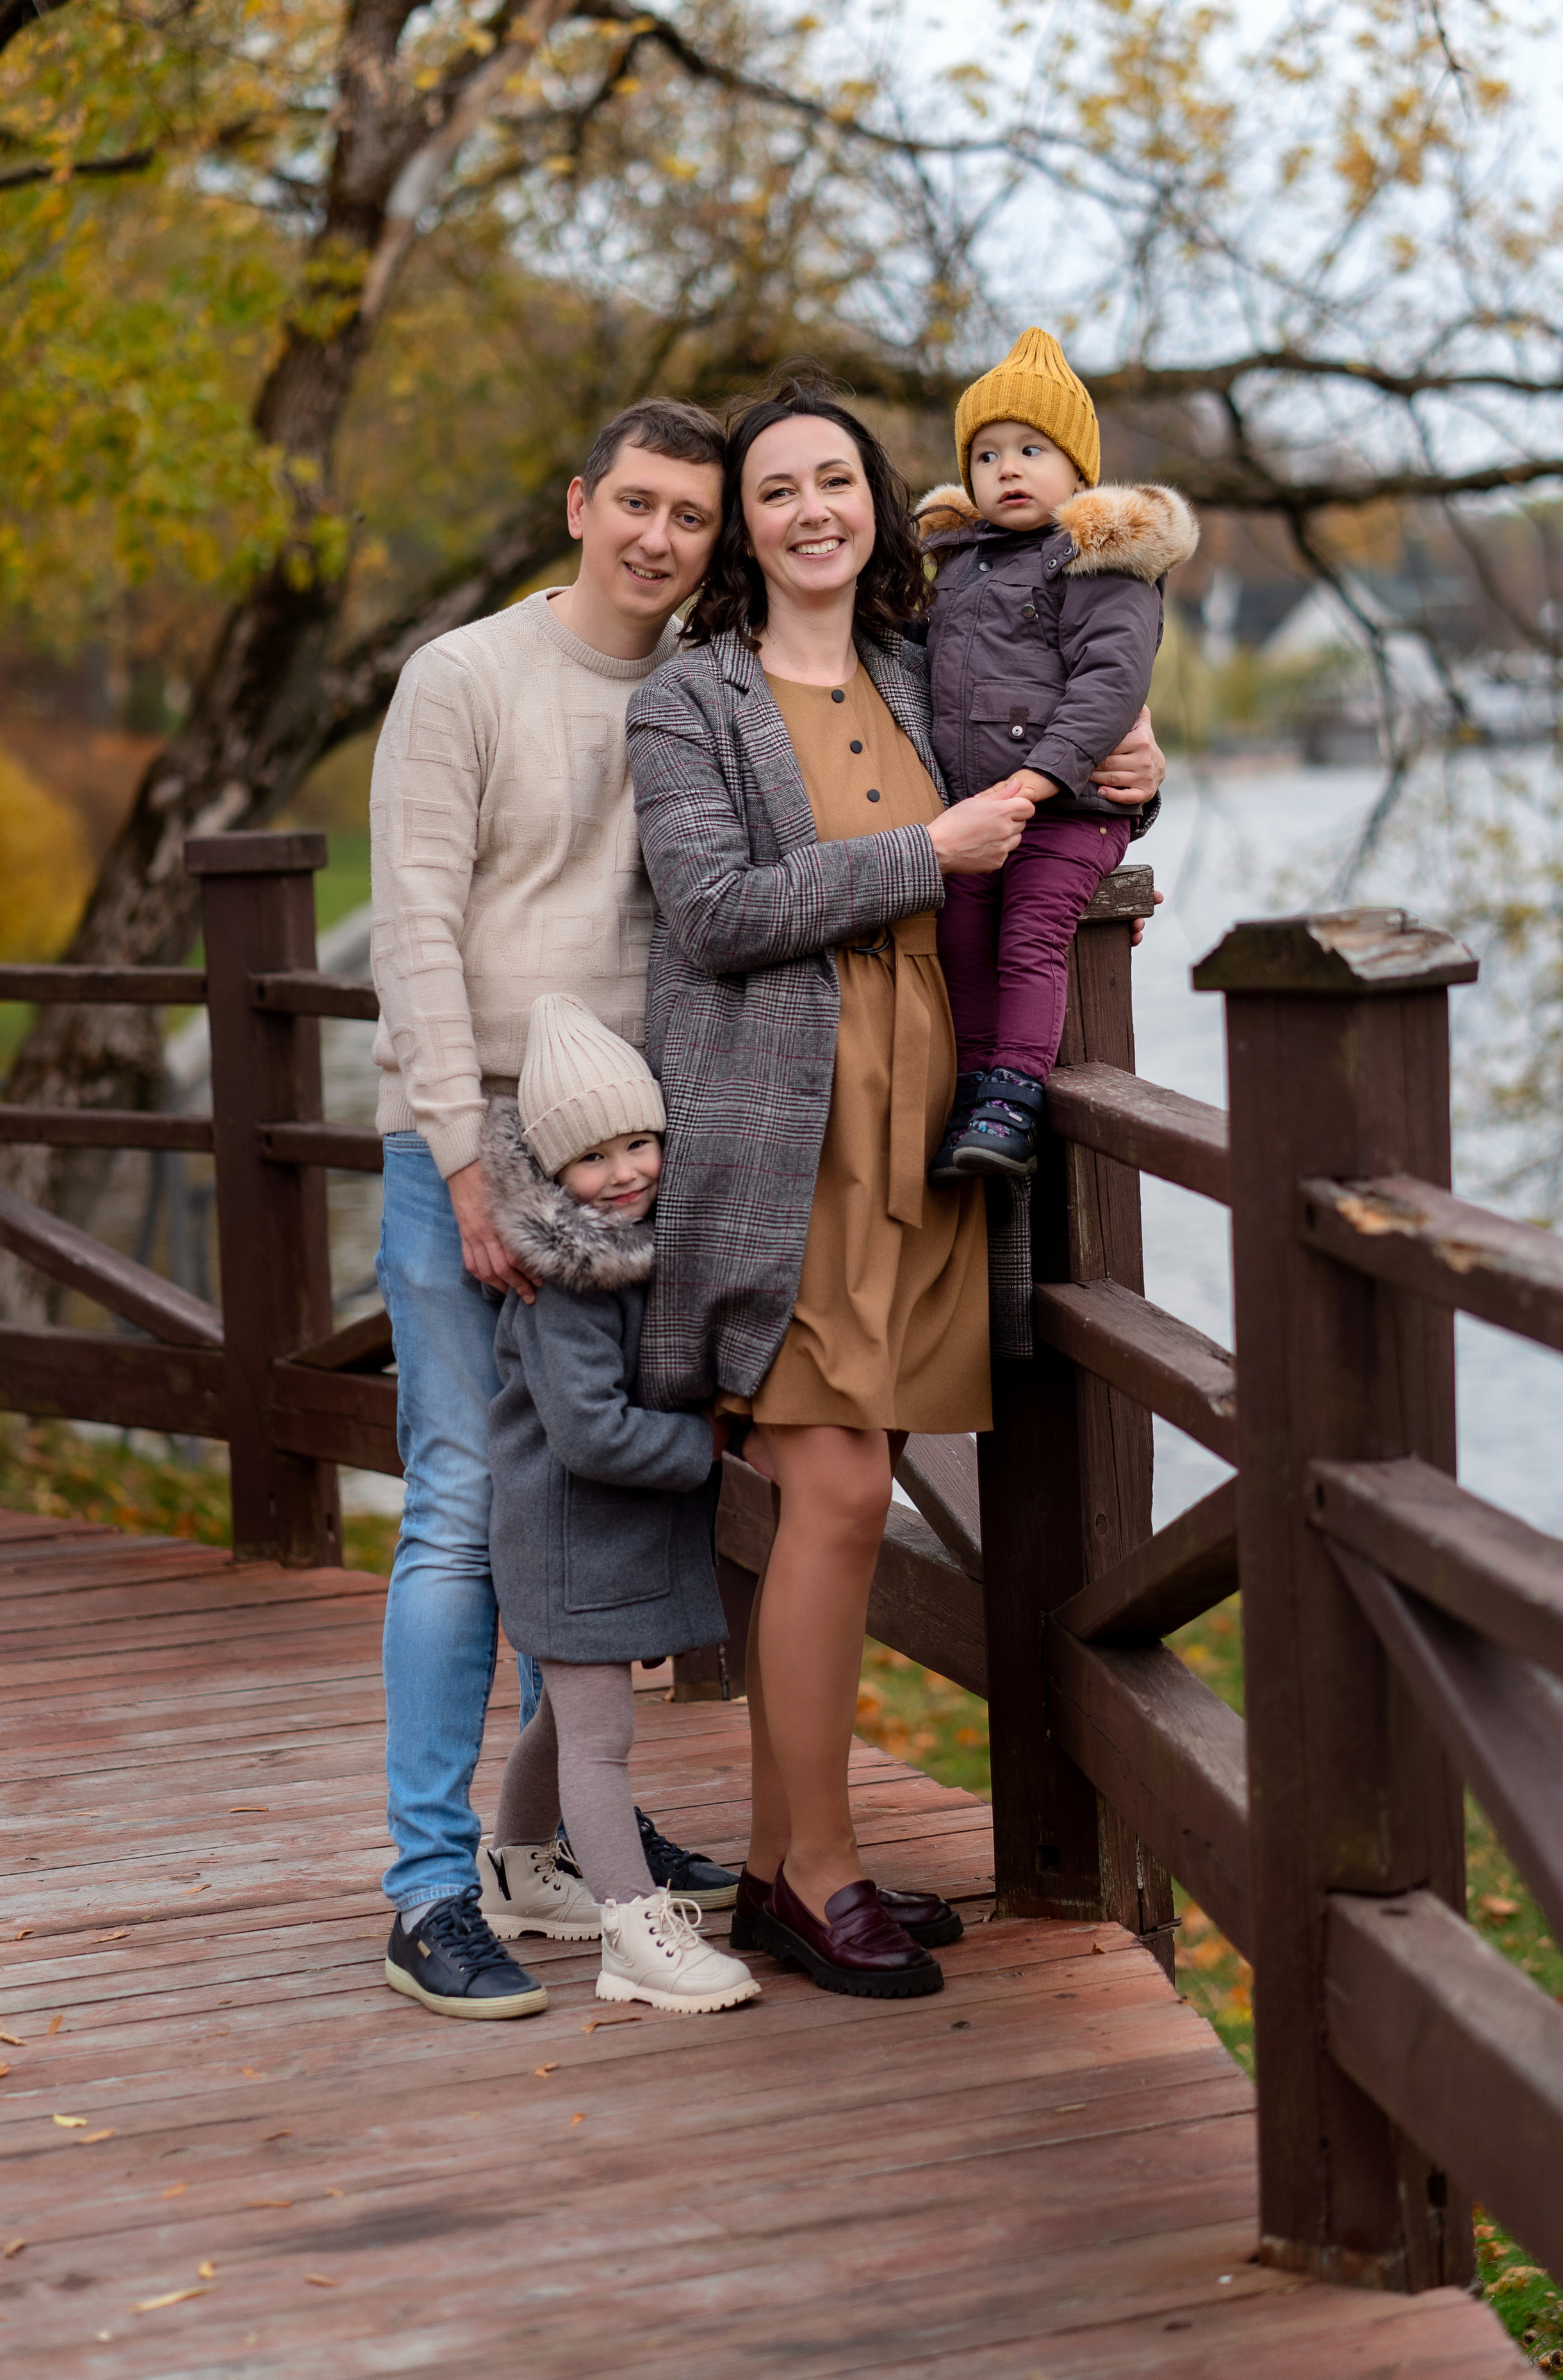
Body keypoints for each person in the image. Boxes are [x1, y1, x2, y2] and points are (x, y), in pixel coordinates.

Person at [624, 378, 1163, 2001]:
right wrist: (926, 856)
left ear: (878, 503)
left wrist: (1136, 774)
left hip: (918, 1121)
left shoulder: (923, 666)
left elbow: (1051, 771)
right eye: (775, 490)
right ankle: (820, 1873)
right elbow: (712, 911)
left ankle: (781, 1869)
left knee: (844, 1500)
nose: (812, 511)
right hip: (775, 1131)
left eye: (836, 482)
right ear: (742, 526)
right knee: (842, 1490)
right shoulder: (690, 698)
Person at [372, 399, 742, 2023]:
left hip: (634, 1157)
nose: (658, 537)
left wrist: (1119, 765)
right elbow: (414, 929)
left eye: (690, 517)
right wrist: (466, 1163)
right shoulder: (461, 677)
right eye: (637, 503)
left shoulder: (706, 683)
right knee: (462, 1505)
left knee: (578, 1499)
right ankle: (427, 1888)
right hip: (470, 1138)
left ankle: (554, 1847)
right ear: (580, 502)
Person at [473, 993, 760, 2015]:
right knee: (599, 1740)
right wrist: (704, 1448)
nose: (626, 1171)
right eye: (593, 1158)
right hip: (565, 1539)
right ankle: (635, 1934)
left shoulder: (631, 1251)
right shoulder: (569, 1285)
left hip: (589, 1537)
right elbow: (589, 1432)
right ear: (553, 1175)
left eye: (640, 1142)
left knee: (568, 1714)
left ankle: (514, 1869)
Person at [915, 325, 1198, 1182]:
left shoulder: (1098, 562)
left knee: (1032, 932)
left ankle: (1016, 1093)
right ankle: (974, 1088)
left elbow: (1111, 683)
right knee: (961, 934)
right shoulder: (956, 565)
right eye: (988, 455)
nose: (1008, 469)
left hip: (1070, 809)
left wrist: (1042, 778)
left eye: (1031, 450)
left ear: (1078, 471)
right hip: (982, 814)